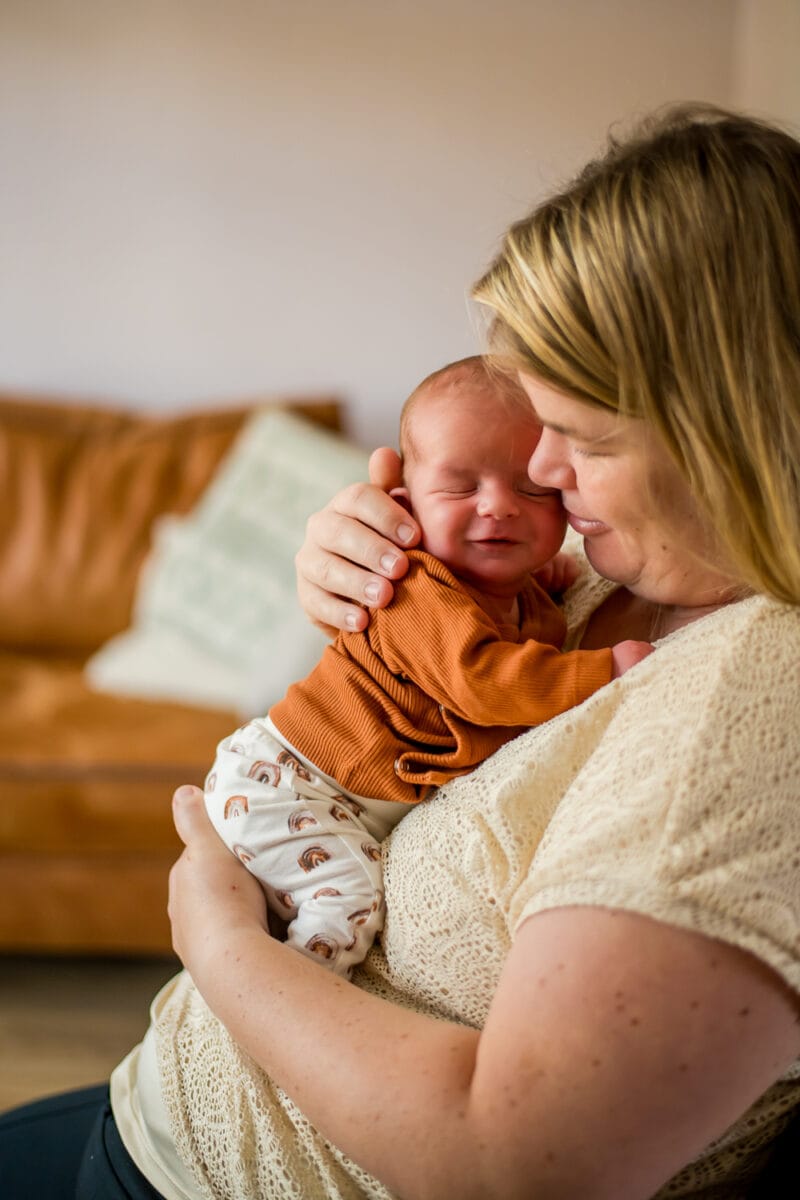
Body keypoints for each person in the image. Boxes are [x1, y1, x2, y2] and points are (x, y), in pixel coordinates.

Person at [2, 102, 799, 1200]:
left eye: (584, 442)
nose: (548, 484)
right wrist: (360, 566)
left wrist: (220, 943)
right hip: (166, 1102)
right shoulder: (641, 566)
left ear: (728, 428)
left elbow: (510, 1161)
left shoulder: (749, 713)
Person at [206, 355, 650, 977]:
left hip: (321, 792)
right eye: (461, 488)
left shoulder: (513, 590)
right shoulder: (415, 586)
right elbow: (483, 681)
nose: (498, 507)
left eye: (531, 489)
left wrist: (535, 578)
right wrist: (604, 673)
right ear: (402, 505)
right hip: (287, 783)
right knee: (351, 903)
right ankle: (280, 996)